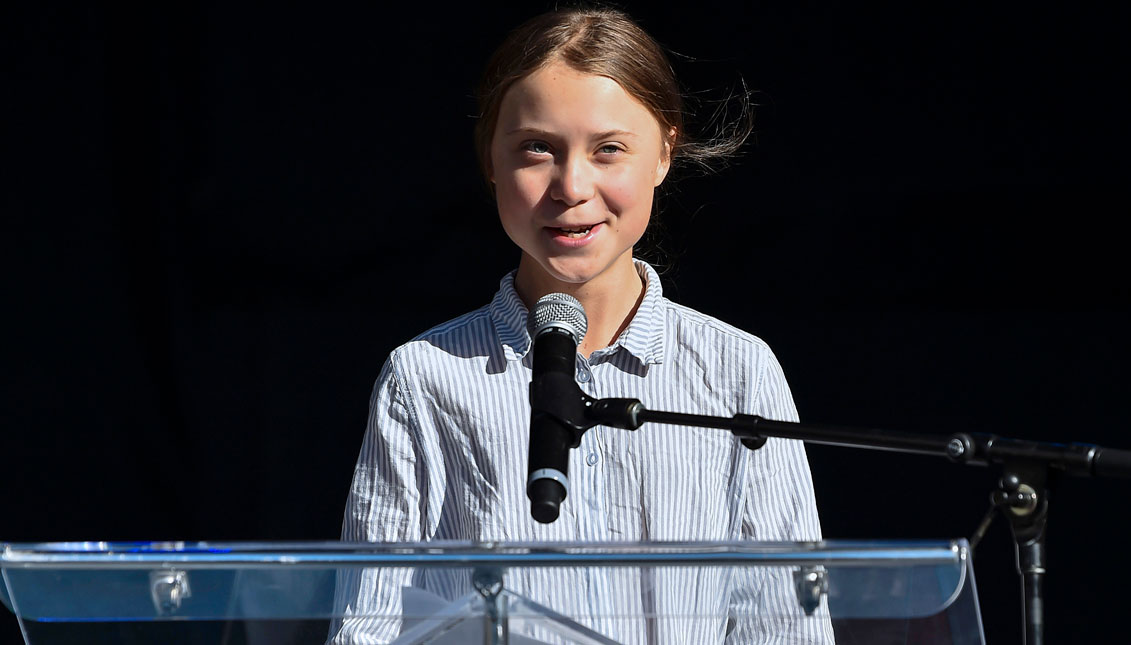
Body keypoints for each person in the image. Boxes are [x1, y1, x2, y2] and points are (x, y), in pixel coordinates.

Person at [330, 7, 831, 644]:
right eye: (537, 149)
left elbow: (787, 628)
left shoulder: (738, 370)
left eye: (609, 150)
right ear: (490, 160)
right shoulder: (425, 378)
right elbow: (367, 627)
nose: (571, 185)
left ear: (664, 154)